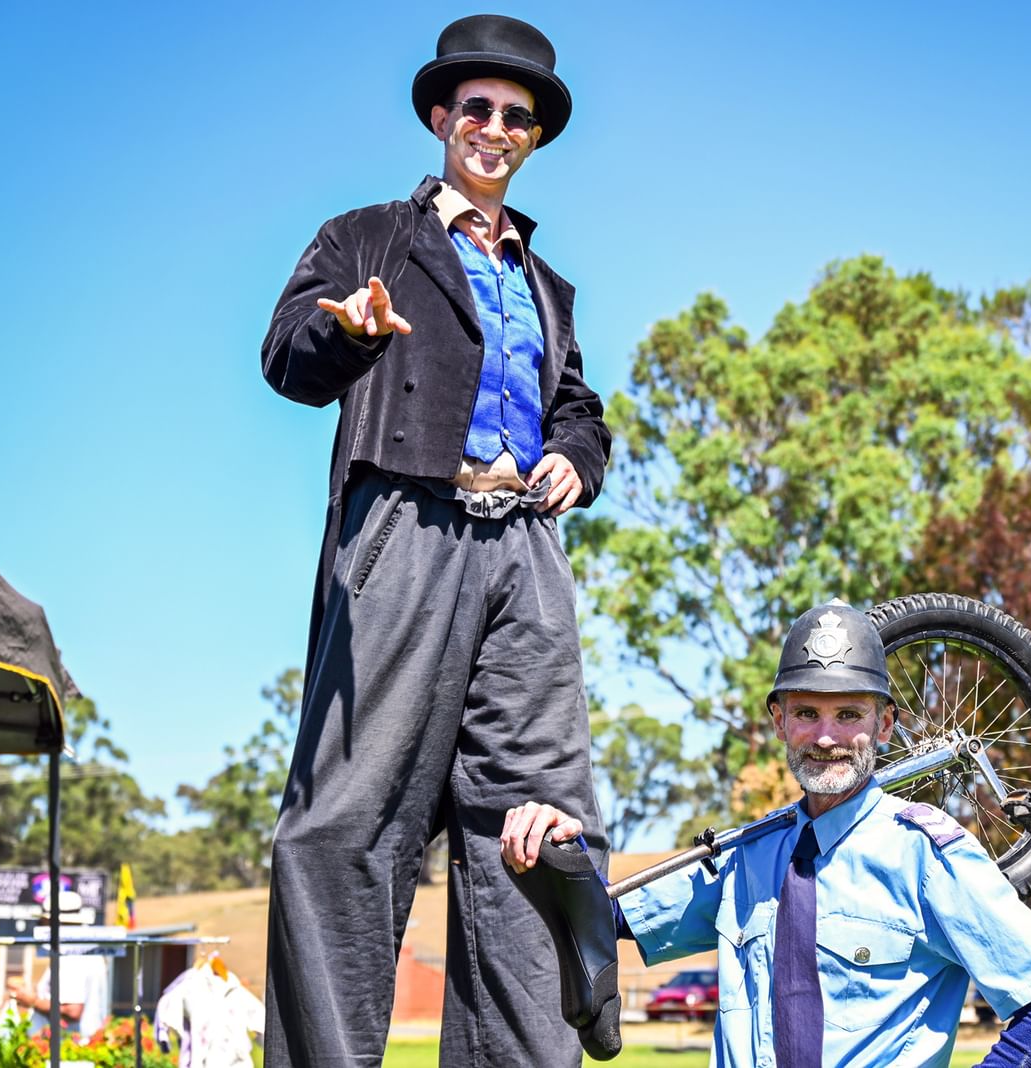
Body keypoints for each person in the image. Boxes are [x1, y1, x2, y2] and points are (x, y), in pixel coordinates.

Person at [259, 14, 611, 1067]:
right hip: (407, 530)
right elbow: (286, 357)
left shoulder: (547, 286)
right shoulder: (368, 238)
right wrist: (348, 329)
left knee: (538, 827)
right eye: (478, 109)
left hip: (526, 553)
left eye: (518, 117)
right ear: (440, 117)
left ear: (534, 137)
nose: (496, 129)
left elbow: (578, 405)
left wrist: (577, 456)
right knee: (347, 825)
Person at [503, 601, 1031, 1067]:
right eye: (807, 713)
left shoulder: (925, 854)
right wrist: (556, 844)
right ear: (779, 721)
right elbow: (610, 916)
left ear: (885, 724)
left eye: (849, 714)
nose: (826, 737)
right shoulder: (747, 855)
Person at [4, 891, 110, 1044]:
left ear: (53, 923)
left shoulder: (72, 955)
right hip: (76, 1047)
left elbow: (72, 1011)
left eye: (43, 921)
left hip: (68, 1049)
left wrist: (32, 1000)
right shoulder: (86, 950)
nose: (41, 925)